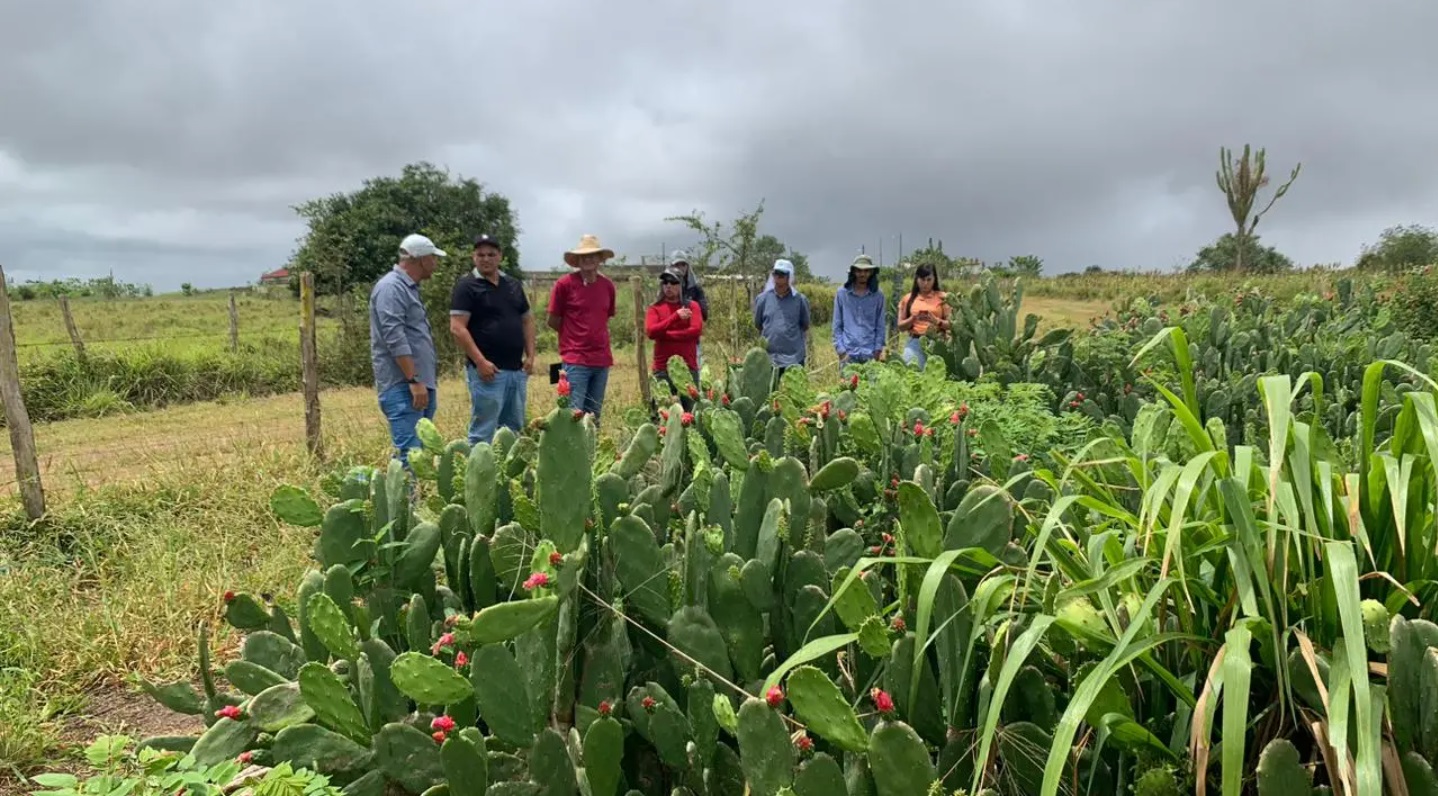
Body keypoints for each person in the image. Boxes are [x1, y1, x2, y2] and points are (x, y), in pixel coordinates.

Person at [449, 233, 536, 445]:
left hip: (516, 370)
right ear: (473, 257)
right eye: (481, 255)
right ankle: (480, 475)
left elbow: (527, 320)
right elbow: (457, 328)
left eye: (491, 254)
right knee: (484, 430)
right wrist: (480, 362)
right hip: (488, 372)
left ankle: (507, 477)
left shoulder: (513, 285)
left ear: (500, 256)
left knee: (513, 428)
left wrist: (531, 355)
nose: (486, 259)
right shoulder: (466, 286)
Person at [370, 233, 443, 464]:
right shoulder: (391, 288)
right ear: (421, 259)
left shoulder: (408, 287)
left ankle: (413, 499)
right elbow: (395, 337)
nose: (436, 263)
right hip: (405, 386)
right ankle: (407, 501)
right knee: (410, 456)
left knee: (418, 454)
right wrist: (413, 380)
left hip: (419, 384)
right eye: (433, 257)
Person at [547, 234, 617, 422]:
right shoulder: (564, 285)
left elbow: (605, 317)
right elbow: (553, 320)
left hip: (601, 359)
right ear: (577, 260)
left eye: (593, 255)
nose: (588, 259)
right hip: (575, 359)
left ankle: (591, 451)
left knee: (594, 416)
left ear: (600, 259)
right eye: (583, 256)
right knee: (573, 415)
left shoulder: (607, 286)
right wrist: (573, 337)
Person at [646, 266, 704, 403]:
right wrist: (675, 317)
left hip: (688, 368)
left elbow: (695, 331)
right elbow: (651, 331)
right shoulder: (655, 308)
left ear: (681, 285)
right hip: (662, 369)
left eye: (673, 282)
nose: (668, 285)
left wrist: (666, 335)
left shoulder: (692, 306)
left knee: (690, 414)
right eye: (665, 282)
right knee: (664, 415)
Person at [752, 258, 810, 378]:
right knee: (770, 396)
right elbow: (758, 324)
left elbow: (805, 325)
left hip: (793, 359)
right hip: (769, 359)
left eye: (782, 275)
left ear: (789, 277)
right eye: (776, 274)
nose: (778, 278)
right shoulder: (762, 299)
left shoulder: (800, 300)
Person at [832, 253, 887, 366]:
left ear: (871, 272)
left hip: (870, 354)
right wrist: (841, 351)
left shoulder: (878, 295)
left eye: (866, 271)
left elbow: (880, 325)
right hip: (848, 354)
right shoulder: (842, 293)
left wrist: (877, 350)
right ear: (854, 272)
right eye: (859, 271)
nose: (863, 274)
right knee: (848, 384)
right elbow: (837, 325)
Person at [896, 263, 950, 369]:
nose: (925, 283)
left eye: (929, 279)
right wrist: (913, 318)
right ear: (917, 279)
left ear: (934, 279)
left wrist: (937, 321)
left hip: (937, 343)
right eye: (922, 279)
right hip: (915, 342)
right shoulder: (908, 299)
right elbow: (900, 326)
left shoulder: (943, 298)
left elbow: (952, 325)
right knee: (911, 373)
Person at [667, 250, 708, 369]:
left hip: (691, 339)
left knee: (694, 374)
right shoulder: (665, 288)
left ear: (688, 266)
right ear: (670, 266)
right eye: (676, 264)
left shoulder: (695, 288)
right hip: (671, 339)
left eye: (683, 264)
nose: (680, 268)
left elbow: (704, 313)